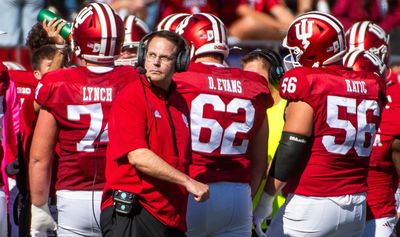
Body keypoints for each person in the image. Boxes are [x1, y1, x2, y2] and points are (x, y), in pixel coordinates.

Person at [253, 11, 386, 237]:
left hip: (313, 200)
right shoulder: (371, 84)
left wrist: (266, 199)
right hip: (356, 205)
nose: (292, 57)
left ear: (312, 50)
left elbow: (292, 145)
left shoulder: (309, 81)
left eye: (295, 51)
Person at [28, 2, 133, 236]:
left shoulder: (59, 83)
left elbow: (39, 157)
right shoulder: (135, 80)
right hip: (122, 193)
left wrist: (39, 205)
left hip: (73, 196)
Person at [100, 30, 209, 237]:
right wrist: (187, 181)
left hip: (171, 215)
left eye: (165, 57)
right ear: (143, 57)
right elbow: (137, 156)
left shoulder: (179, 102)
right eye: (151, 55)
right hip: (136, 211)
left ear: (180, 62)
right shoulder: (132, 96)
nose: (156, 63)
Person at [174, 13, 273, 236]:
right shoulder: (253, 84)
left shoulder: (180, 79)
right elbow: (259, 160)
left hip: (191, 189)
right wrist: (245, 198)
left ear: (189, 46)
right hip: (237, 195)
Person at [240, 48, 286, 233]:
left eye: (257, 77)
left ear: (276, 75)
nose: (249, 83)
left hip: (280, 212)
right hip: (246, 213)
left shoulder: (291, 109)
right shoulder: (243, 109)